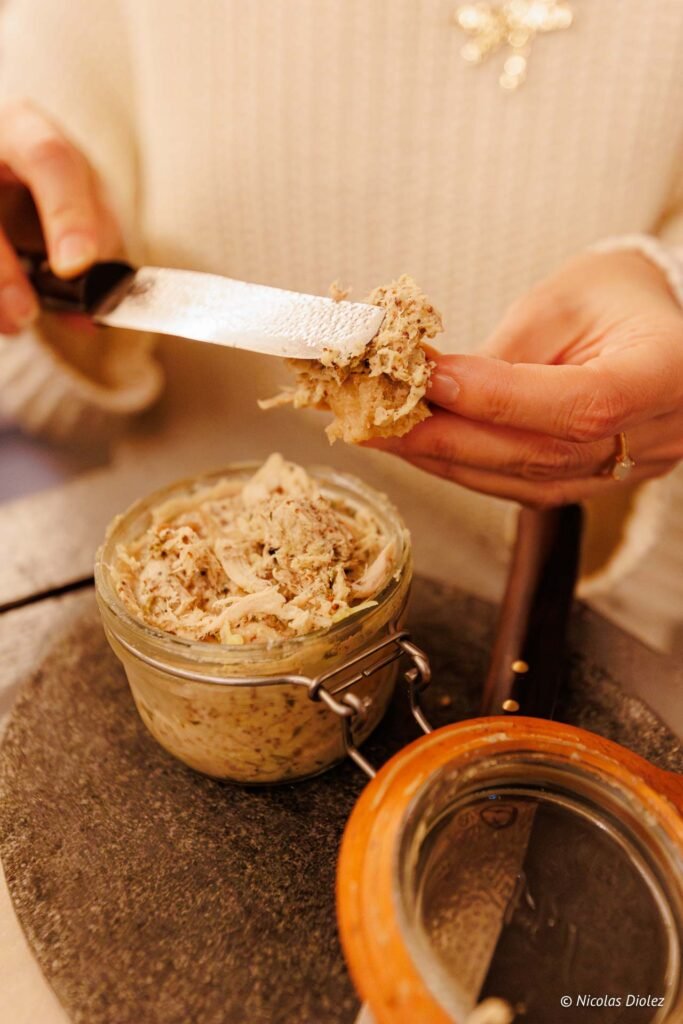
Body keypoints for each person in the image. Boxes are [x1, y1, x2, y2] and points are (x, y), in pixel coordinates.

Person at [0, 0, 681, 649]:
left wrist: (670, 285)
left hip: (578, 612)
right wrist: (38, 279)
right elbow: (34, 118)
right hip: (168, 575)